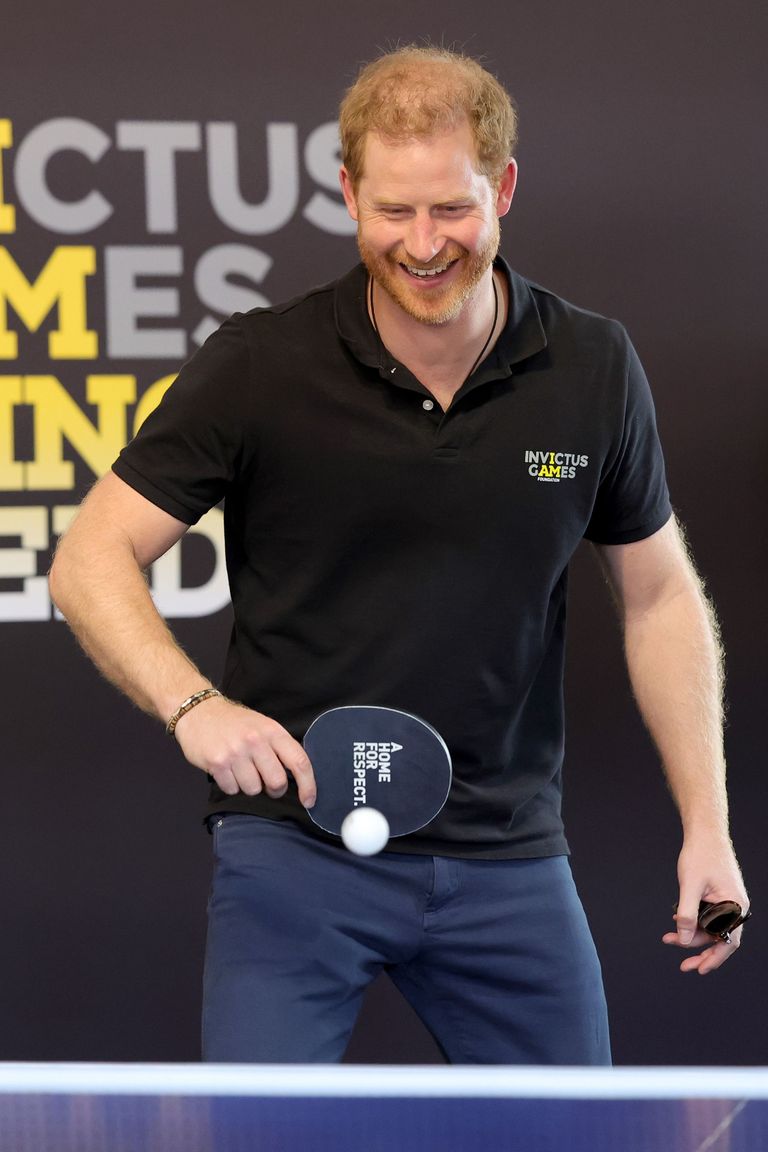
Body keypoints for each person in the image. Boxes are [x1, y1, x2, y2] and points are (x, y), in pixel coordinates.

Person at [49, 44, 748, 1065]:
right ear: (348, 194)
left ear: (503, 187)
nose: (424, 244)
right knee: (258, 1143)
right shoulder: (259, 365)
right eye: (395, 211)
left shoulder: (594, 366)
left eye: (452, 210)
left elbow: (658, 599)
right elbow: (90, 558)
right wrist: (193, 706)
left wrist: (709, 826)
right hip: (293, 851)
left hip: (509, 860)